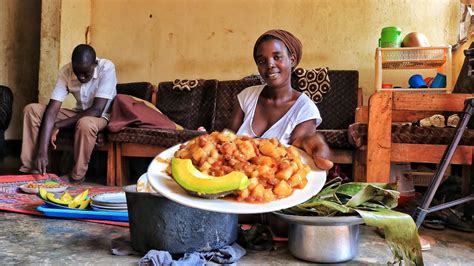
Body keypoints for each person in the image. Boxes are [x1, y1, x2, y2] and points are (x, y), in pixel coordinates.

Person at [229, 29, 333, 171]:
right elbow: (226, 141)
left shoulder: (305, 109)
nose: (270, 64)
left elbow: (299, 148)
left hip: (272, 186)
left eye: (277, 57)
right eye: (261, 60)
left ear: (292, 60)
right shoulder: (247, 96)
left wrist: (315, 143)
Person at [19, 44, 117, 184]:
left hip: (101, 116)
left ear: (94, 64)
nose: (81, 77)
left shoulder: (106, 68)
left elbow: (96, 110)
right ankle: (31, 170)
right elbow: (52, 109)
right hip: (78, 113)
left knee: (85, 123)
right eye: (77, 72)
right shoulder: (66, 71)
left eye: (86, 73)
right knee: (31, 110)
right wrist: (42, 152)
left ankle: (76, 176)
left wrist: (58, 125)